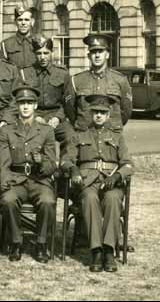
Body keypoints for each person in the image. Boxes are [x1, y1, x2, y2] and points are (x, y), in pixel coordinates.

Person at [61, 94, 133, 273]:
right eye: (95, 113)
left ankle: (109, 250)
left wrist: (116, 177)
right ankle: (96, 251)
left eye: (102, 113)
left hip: (110, 182)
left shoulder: (117, 137)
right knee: (89, 197)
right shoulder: (79, 136)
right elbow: (66, 160)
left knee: (113, 198)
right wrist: (74, 170)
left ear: (108, 115)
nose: (99, 116)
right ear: (91, 114)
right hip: (88, 183)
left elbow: (128, 164)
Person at [0, 86, 57, 263]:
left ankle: (41, 243)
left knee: (47, 201)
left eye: (29, 103)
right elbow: (4, 163)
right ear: (17, 106)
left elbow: (52, 163)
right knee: (8, 200)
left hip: (39, 180)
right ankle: (16, 242)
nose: (25, 107)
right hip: (16, 180)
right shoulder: (6, 131)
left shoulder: (46, 131)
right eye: (22, 103)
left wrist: (41, 164)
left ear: (35, 105)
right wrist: (5, 183)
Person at [64, 33, 132, 133]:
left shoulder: (120, 80)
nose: (97, 55)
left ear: (107, 55)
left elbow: (126, 111)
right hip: (85, 135)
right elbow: (70, 110)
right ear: (88, 55)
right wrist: (82, 124)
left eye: (100, 51)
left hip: (111, 136)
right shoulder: (76, 81)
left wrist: (114, 125)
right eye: (93, 52)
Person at [19, 35, 71, 149]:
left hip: (56, 117)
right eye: (39, 53)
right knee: (26, 138)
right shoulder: (25, 73)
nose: (42, 57)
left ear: (52, 52)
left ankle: (65, 165)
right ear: (34, 54)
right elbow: (21, 100)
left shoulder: (62, 74)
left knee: (70, 136)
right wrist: (34, 116)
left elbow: (68, 100)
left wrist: (58, 118)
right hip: (32, 117)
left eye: (46, 53)